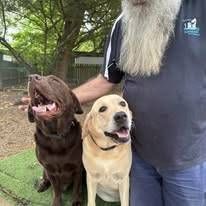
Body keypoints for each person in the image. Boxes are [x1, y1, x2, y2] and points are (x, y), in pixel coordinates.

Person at [20, 0, 206, 205]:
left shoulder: (199, 7)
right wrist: (57, 100)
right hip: (136, 153)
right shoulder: (122, 23)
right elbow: (106, 79)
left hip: (188, 155)